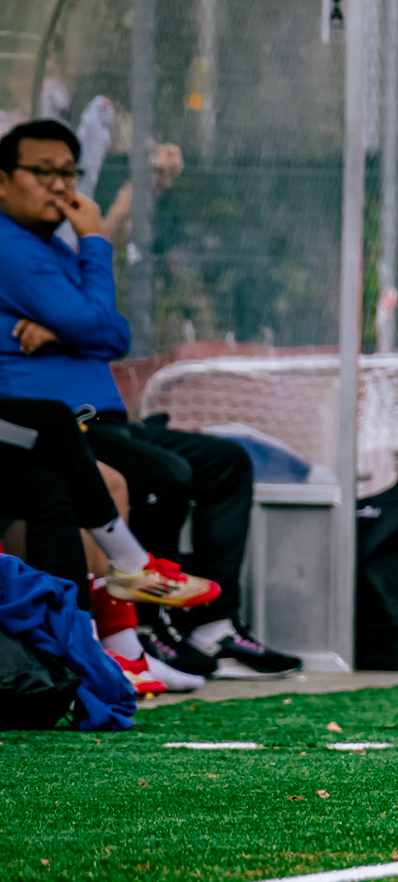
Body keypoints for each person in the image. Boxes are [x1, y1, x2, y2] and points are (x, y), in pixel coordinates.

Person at [0, 119, 300, 682]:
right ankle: (144, 624)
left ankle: (211, 626)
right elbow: (95, 324)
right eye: (42, 172)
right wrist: (95, 246)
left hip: (104, 420)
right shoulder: (11, 245)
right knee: (165, 474)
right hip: (61, 426)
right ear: (2, 180)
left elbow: (114, 334)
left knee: (226, 463)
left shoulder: (52, 247)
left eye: (68, 173)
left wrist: (69, 327)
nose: (60, 186)